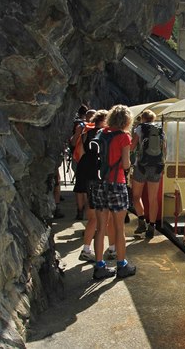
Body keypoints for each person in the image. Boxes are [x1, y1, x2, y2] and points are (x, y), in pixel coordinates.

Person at [89, 105, 136, 279]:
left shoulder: (101, 133)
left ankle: (99, 266)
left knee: (101, 228)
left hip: (100, 184)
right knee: (118, 228)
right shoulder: (124, 137)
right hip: (117, 183)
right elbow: (125, 164)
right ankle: (122, 265)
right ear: (126, 120)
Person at [76, 110, 108, 262]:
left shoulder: (85, 132)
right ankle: (104, 253)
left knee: (92, 218)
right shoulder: (104, 134)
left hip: (86, 173)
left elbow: (81, 152)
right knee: (101, 219)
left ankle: (86, 248)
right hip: (99, 176)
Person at [131, 109, 166, 239]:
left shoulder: (140, 129)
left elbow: (132, 147)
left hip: (141, 166)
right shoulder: (160, 129)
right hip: (156, 167)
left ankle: (141, 221)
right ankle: (152, 226)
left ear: (142, 119)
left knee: (136, 196)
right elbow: (165, 149)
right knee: (153, 199)